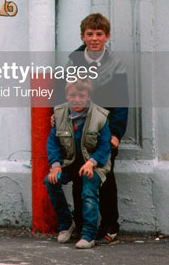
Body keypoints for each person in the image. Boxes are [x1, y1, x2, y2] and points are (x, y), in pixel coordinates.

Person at [65, 13, 128, 244]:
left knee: (105, 178)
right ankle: (82, 225)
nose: (94, 38)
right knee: (79, 176)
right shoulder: (74, 60)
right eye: (89, 34)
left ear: (106, 37)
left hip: (104, 129)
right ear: (83, 36)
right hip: (79, 129)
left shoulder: (115, 64)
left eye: (99, 34)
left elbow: (121, 101)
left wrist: (116, 133)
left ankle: (110, 225)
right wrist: (59, 119)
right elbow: (65, 94)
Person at [44, 79, 112, 249]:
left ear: (88, 97)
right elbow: (52, 142)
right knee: (50, 181)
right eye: (72, 95)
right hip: (69, 163)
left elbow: (105, 145)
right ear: (67, 96)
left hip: (94, 165)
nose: (77, 99)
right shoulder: (60, 114)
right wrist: (56, 165)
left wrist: (91, 162)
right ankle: (66, 224)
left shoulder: (100, 116)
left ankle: (89, 234)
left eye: (81, 95)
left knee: (89, 190)